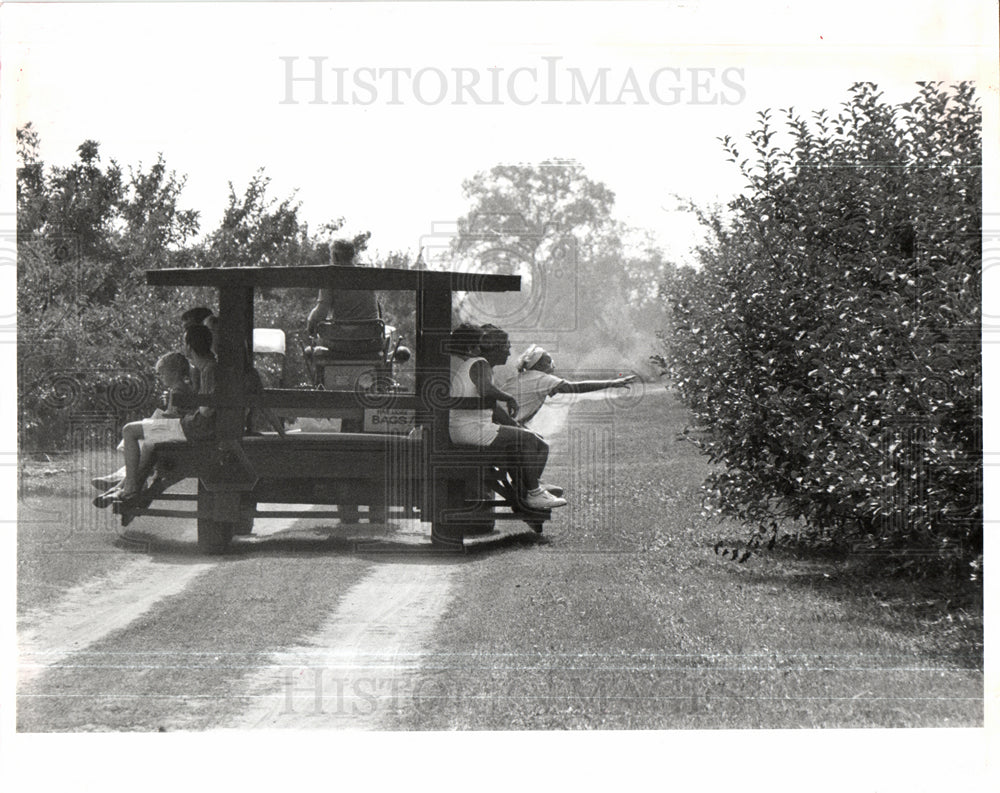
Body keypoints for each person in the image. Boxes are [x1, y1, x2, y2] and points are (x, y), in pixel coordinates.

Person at [94, 324, 217, 509]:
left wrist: (195, 409)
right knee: (149, 442)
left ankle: (128, 487)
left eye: (185, 343)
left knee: (130, 431)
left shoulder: (209, 369)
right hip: (194, 426)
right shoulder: (208, 368)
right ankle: (124, 485)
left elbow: (207, 410)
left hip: (193, 428)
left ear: (190, 346)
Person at [448, 323, 566, 511]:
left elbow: (490, 403)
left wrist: (513, 423)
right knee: (528, 441)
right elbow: (486, 391)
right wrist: (508, 397)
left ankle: (530, 489)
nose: (509, 354)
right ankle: (533, 493)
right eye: (506, 348)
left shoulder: (480, 365)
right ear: (494, 349)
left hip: (472, 428)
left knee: (537, 443)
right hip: (471, 430)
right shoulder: (480, 364)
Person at [91, 352, 195, 492]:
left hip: (179, 433)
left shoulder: (178, 390)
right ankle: (122, 480)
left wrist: (161, 418)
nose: (160, 377)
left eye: (162, 373)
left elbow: (176, 418)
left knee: (134, 434)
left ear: (174, 372)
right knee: (144, 431)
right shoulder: (182, 388)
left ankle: (126, 481)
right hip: (179, 429)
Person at [493, 343, 638, 426]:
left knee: (532, 444)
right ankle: (530, 480)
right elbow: (577, 387)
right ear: (540, 364)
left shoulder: (523, 377)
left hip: (495, 420)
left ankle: (522, 479)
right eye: (548, 360)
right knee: (539, 447)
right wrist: (612, 383)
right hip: (502, 423)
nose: (552, 363)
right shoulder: (542, 379)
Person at [305, 239, 380, 335]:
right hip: (370, 336)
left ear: (335, 256)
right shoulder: (366, 274)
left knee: (313, 342)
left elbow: (321, 313)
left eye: (331, 255)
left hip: (343, 339)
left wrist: (310, 321)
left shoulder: (331, 277)